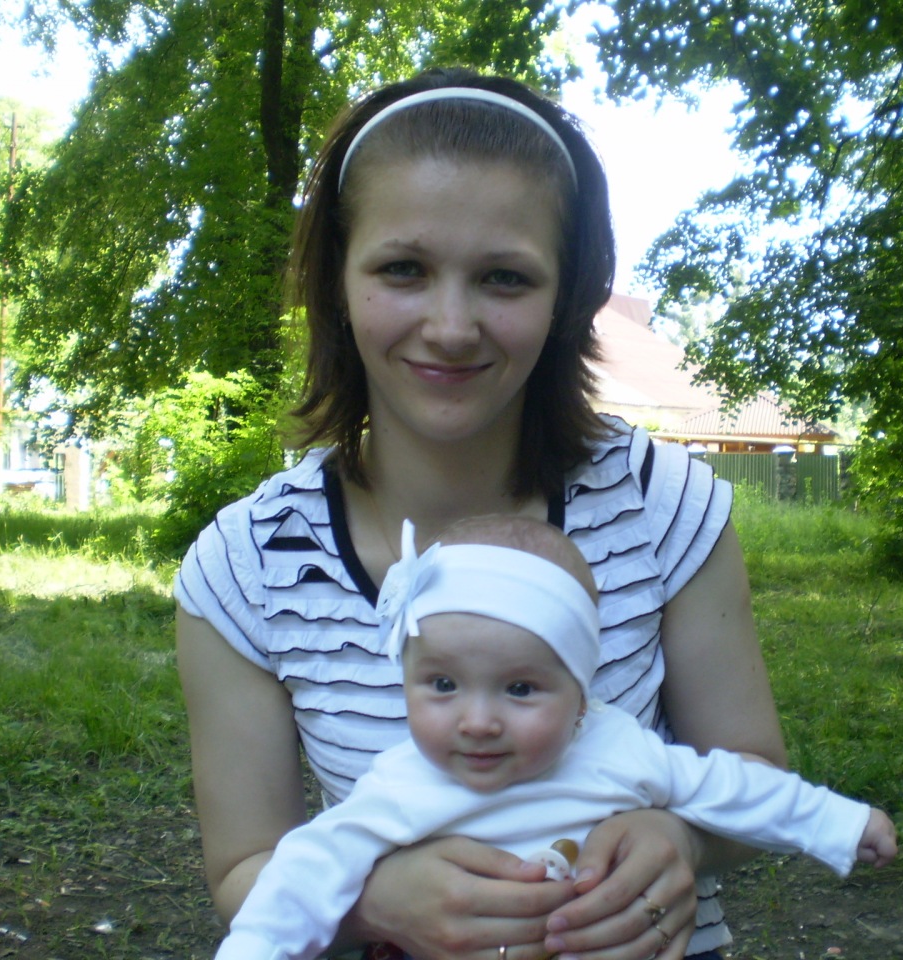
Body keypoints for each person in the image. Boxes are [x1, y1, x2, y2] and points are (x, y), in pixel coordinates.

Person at [176, 65, 791, 960]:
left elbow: (753, 774)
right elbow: (243, 868)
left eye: (505, 277)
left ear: (566, 297)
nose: (452, 325)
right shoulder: (243, 569)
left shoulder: (661, 503)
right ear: (337, 280)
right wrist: (370, 902)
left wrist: (682, 838)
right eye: (403, 269)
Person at [214, 516, 898, 960]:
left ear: (579, 699)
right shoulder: (401, 786)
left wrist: (836, 823)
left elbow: (733, 787)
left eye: (520, 689)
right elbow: (306, 871)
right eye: (443, 684)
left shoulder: (614, 749)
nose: (478, 721)